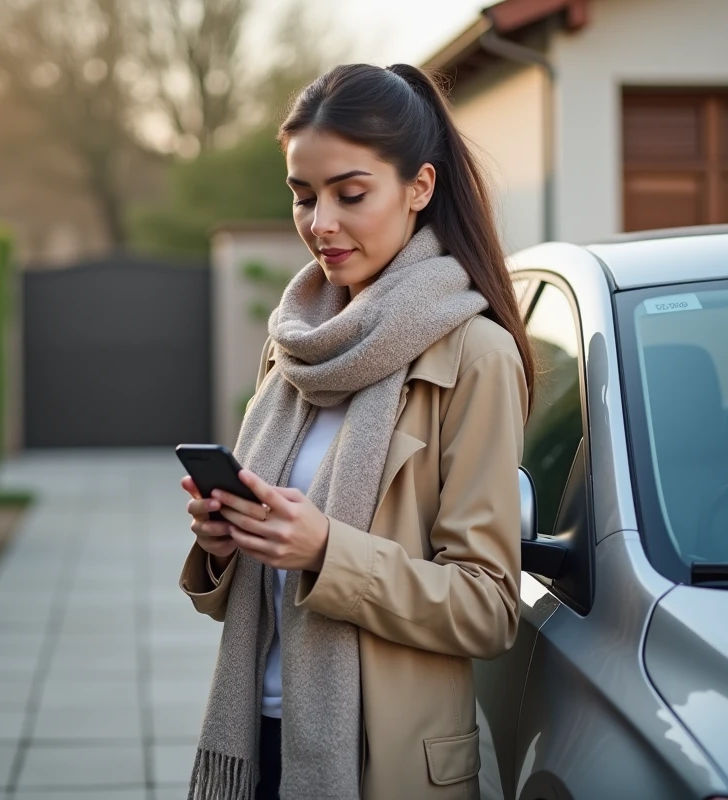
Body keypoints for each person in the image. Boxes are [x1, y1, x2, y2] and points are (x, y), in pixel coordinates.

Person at [178, 62, 535, 800]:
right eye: (304, 197)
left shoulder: (476, 355)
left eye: (350, 193)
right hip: (257, 739)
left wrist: (326, 553)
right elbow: (249, 587)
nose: (321, 223)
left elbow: (488, 606)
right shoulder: (297, 342)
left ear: (420, 188)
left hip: (382, 765)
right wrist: (224, 543)